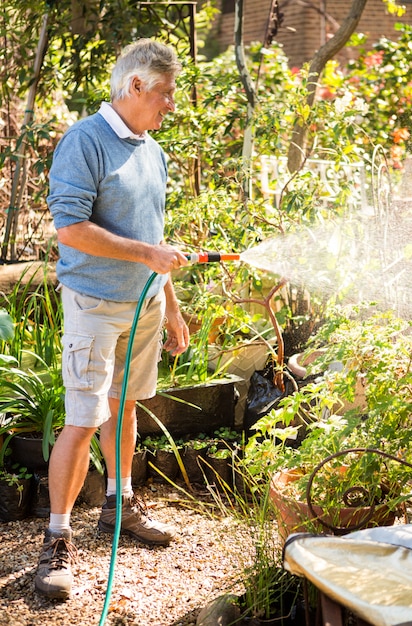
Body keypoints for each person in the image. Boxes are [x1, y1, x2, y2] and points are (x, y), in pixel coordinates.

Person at [35, 39, 190, 601]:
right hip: (95, 304)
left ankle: (118, 507)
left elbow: (154, 237)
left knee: (123, 408)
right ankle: (56, 540)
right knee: (82, 418)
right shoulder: (84, 142)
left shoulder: (152, 150)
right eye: (166, 94)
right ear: (136, 87)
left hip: (146, 303)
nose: (170, 104)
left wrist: (169, 302)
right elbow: (71, 229)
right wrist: (149, 257)